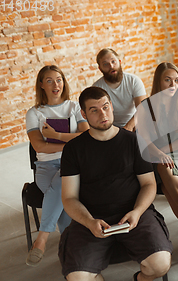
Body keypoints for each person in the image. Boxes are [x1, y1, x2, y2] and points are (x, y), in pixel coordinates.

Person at [59, 87, 172, 281]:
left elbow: (149, 185)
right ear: (84, 114)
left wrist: (137, 212)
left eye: (105, 106)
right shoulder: (73, 149)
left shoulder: (135, 141)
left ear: (111, 106)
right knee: (77, 278)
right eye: (94, 110)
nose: (103, 113)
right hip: (91, 218)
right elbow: (69, 198)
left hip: (135, 213)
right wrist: (88, 221)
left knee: (160, 264)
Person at [24, 65, 89, 267]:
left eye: (59, 79)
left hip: (73, 164)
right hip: (45, 167)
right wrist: (71, 141)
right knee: (63, 194)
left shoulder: (74, 108)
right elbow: (38, 145)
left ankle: (42, 240)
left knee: (63, 184)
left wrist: (56, 137)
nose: (56, 84)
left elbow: (87, 137)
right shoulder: (34, 113)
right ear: (41, 85)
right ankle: (74, 250)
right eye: (49, 80)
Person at [137, 62, 178, 221]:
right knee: (165, 167)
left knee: (167, 185)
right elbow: (144, 139)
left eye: (176, 80)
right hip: (154, 155)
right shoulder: (146, 106)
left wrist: (166, 151)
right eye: (168, 80)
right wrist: (160, 154)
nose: (173, 85)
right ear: (158, 81)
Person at [93, 48, 147, 131]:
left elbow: (142, 108)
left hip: (134, 124)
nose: (111, 66)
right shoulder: (97, 88)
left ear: (120, 62)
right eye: (105, 64)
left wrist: (129, 127)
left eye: (113, 61)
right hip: (110, 128)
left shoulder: (133, 81)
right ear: (100, 69)